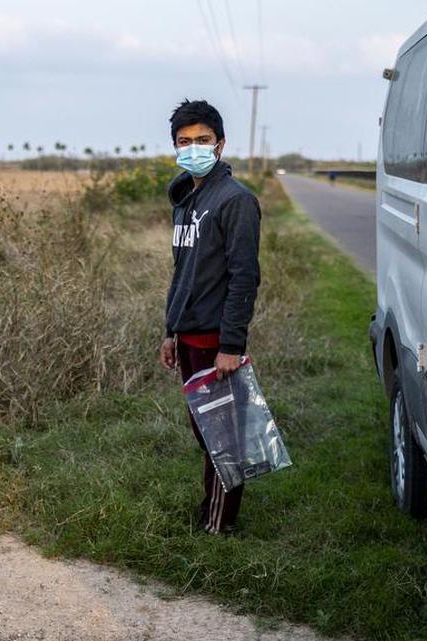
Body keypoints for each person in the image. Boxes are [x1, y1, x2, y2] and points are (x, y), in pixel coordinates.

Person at [158, 99, 262, 535]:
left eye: (202, 140)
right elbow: (183, 272)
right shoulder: (186, 198)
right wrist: (170, 331)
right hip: (188, 337)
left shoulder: (235, 201)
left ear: (220, 145)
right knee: (204, 431)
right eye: (185, 142)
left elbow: (244, 277)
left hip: (215, 341)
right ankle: (210, 512)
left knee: (222, 436)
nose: (193, 148)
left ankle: (218, 528)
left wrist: (231, 347)